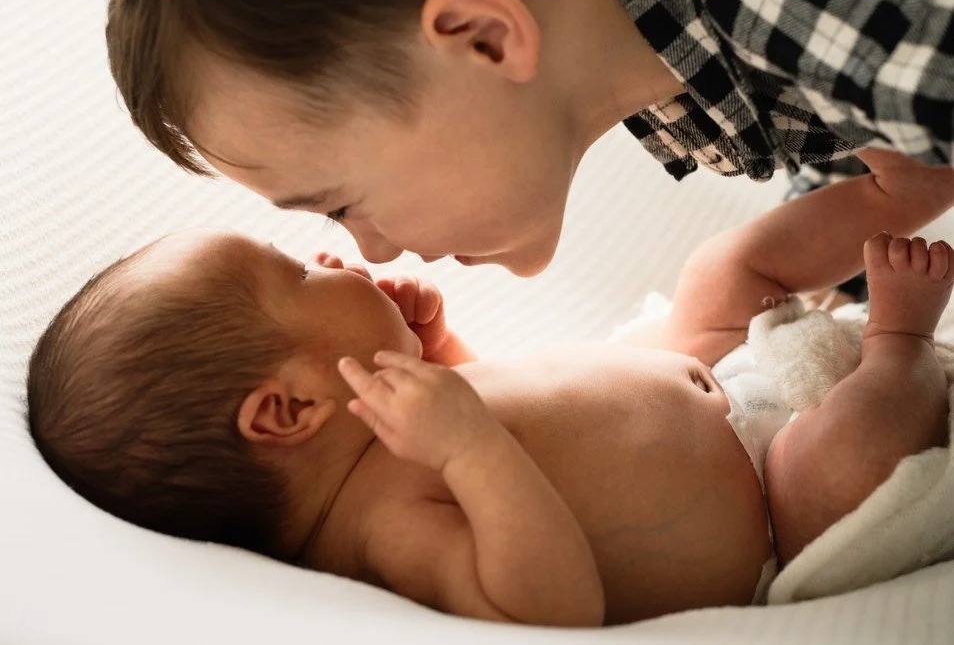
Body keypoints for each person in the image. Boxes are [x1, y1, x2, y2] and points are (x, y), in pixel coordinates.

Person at [26, 149, 954, 625]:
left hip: (709, 370)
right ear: (289, 409)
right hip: (770, 503)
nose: (329, 260)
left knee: (724, 266)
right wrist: (467, 444)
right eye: (297, 278)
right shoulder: (383, 528)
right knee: (847, 470)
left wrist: (440, 346)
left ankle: (899, 189)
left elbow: (523, 409)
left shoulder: (396, 425)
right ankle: (902, 339)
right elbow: (543, 602)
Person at [101, 0, 954, 278]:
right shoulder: (702, 27)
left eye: (338, 202)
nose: (371, 249)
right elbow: (870, 157)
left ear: (481, 38)